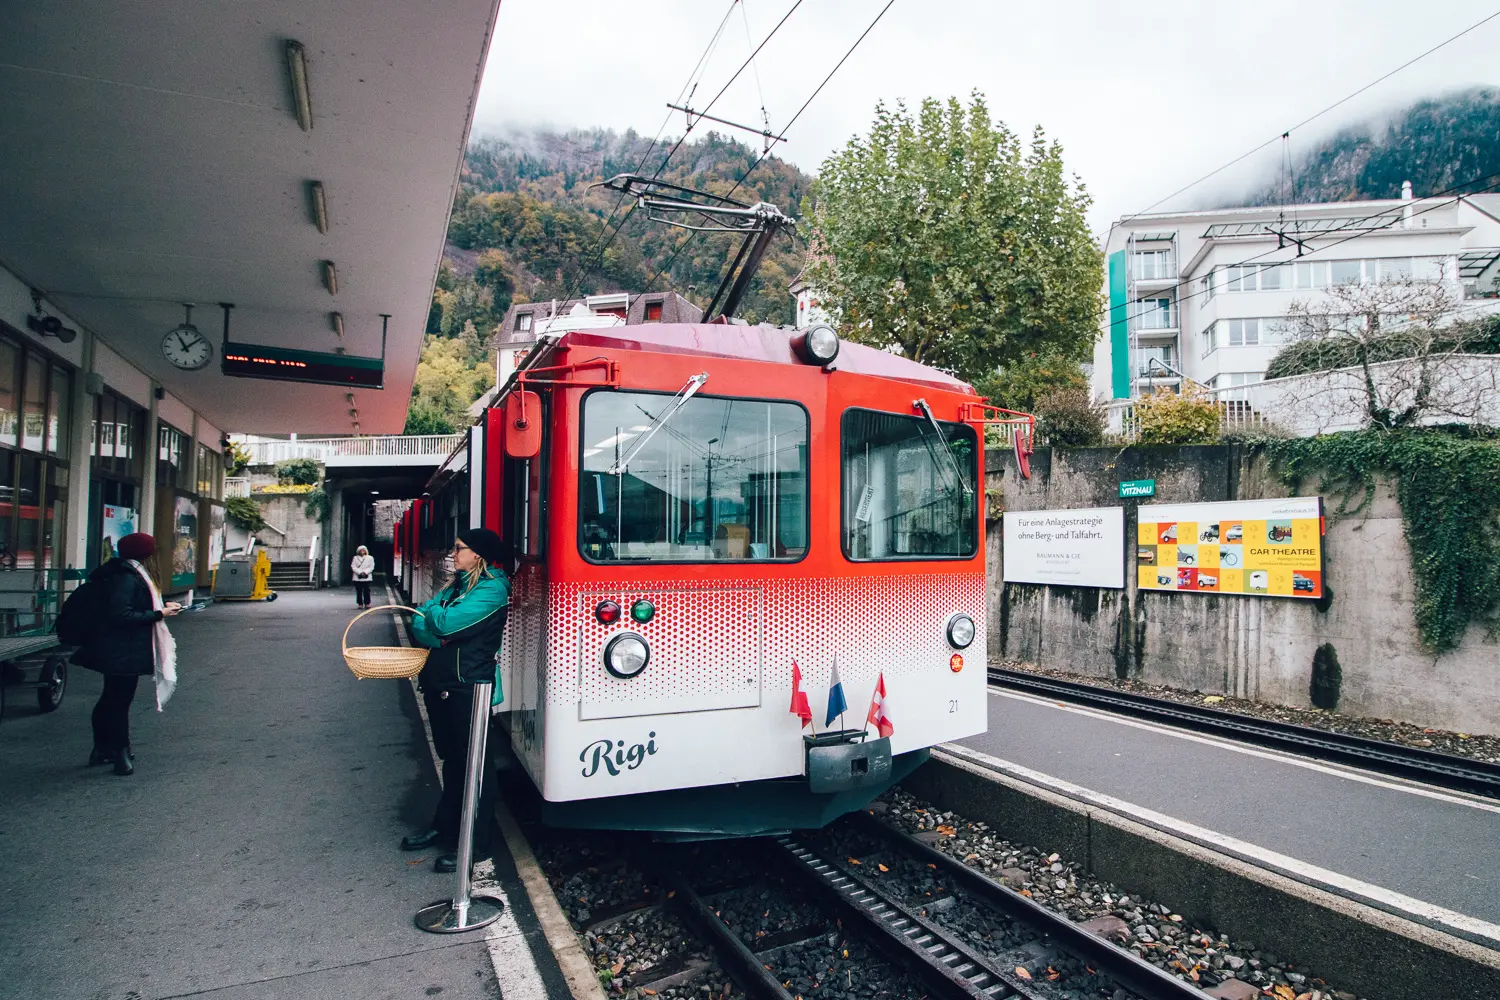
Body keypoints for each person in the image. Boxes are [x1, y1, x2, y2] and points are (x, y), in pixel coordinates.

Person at [400, 528, 510, 873]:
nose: (453, 552)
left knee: (475, 767)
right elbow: (418, 622)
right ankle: (445, 826)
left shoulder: (492, 588)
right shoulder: (458, 585)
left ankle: (476, 844)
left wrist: (437, 626)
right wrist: (437, 626)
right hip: (442, 683)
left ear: (477, 554)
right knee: (452, 760)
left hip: (470, 687)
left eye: (459, 548)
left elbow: (443, 623)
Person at [74, 533, 182, 776]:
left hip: (113, 646)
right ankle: (121, 754)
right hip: (122, 648)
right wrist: (159, 614)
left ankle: (102, 749)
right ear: (145, 555)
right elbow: (122, 615)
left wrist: (161, 610)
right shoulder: (129, 578)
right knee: (119, 701)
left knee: (110, 699)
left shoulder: (119, 572)